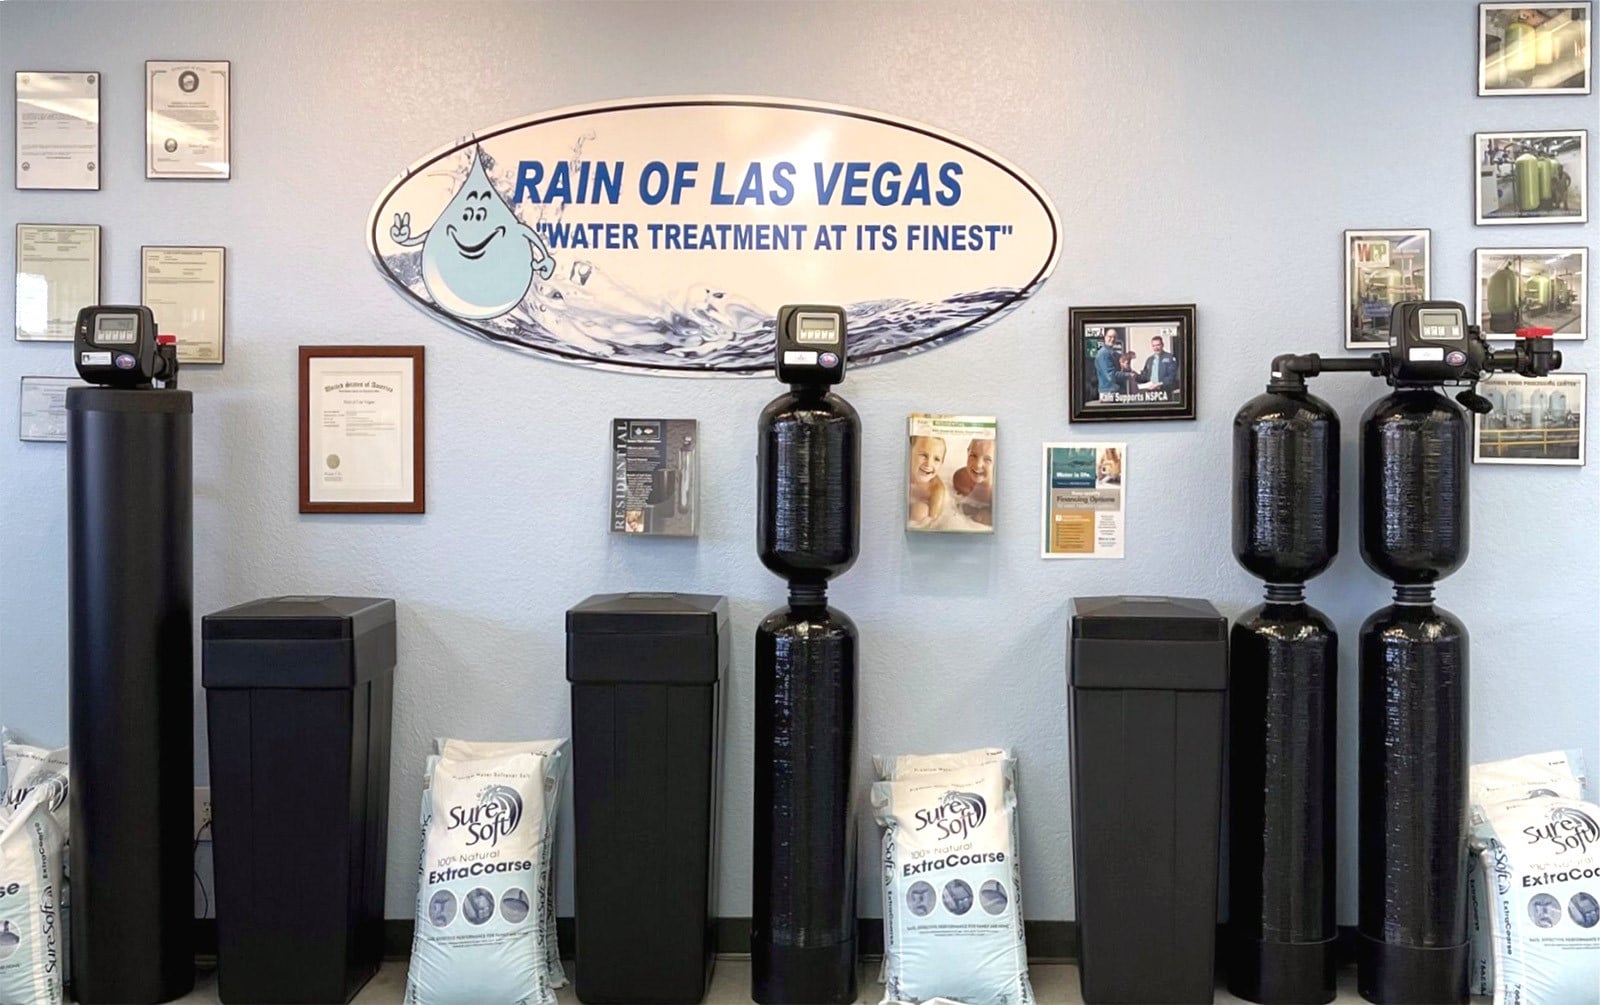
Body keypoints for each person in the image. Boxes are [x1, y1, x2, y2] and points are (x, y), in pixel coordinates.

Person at [951, 437, 994, 526]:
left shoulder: (994, 489)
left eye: (987, 459)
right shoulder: (964, 476)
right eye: (973, 455)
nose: (978, 464)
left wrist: (977, 512)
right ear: (968, 452)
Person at [908, 435, 948, 528]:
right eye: (924, 455)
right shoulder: (902, 475)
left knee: (920, 511)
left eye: (936, 459)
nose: (929, 463)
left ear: (942, 464)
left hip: (916, 517)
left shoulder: (936, 490)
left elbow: (933, 522)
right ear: (909, 453)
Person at [1094, 328, 1124, 397]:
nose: (1112, 339)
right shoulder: (1104, 354)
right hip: (1108, 392)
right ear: (1105, 338)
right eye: (1110, 337)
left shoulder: (1112, 353)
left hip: (1113, 391)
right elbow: (1111, 375)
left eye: (1114, 337)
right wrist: (1129, 375)